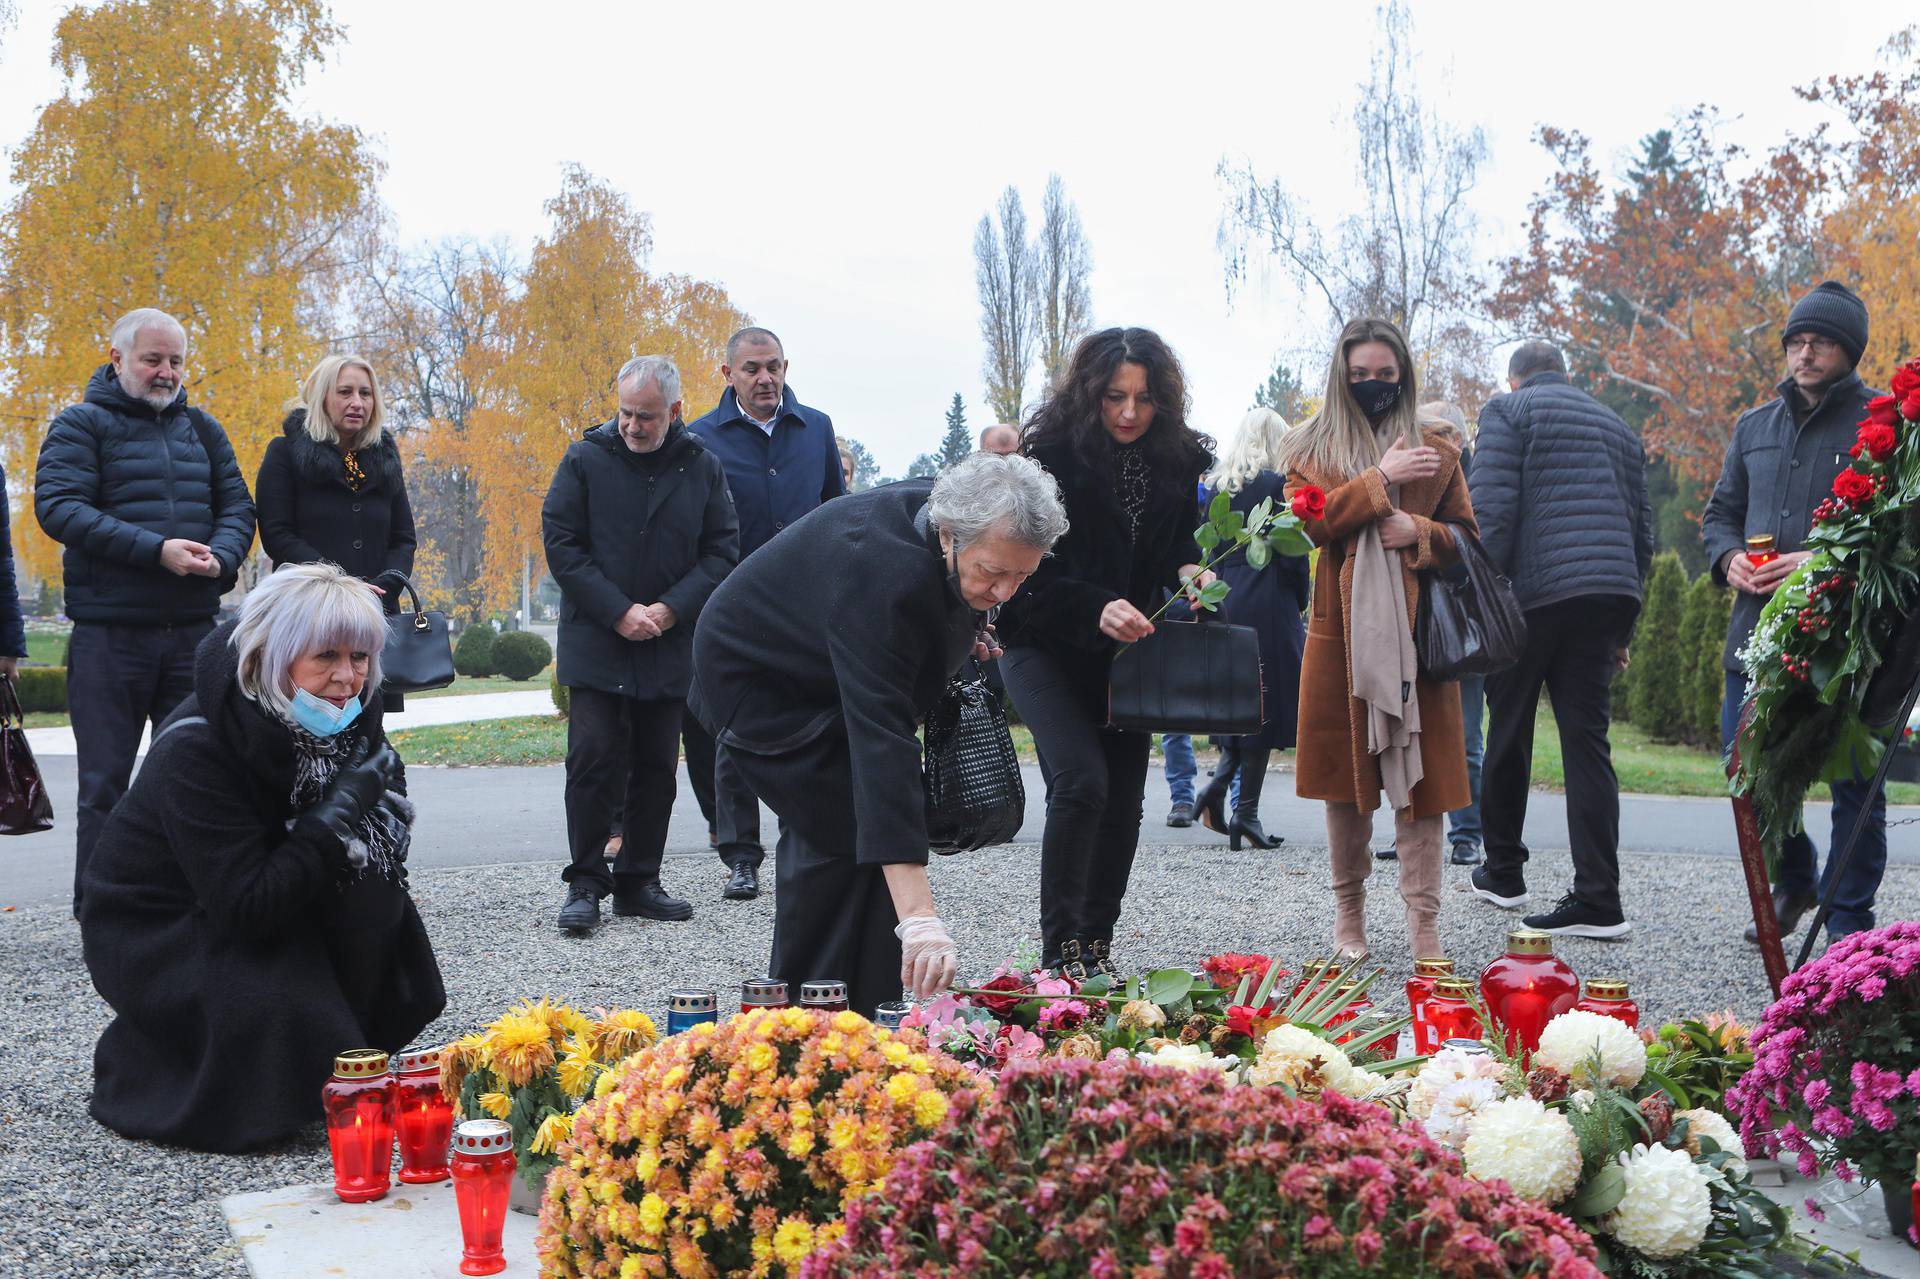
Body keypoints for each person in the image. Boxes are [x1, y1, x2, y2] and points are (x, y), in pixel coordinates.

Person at [79, 563, 444, 1153]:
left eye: (361, 657)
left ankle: (325, 1045)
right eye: (325, 655)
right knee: (279, 1003)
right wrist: (334, 818)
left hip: (264, 885)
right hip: (157, 925)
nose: (347, 678)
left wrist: (349, 818)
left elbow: (364, 854)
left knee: (389, 927)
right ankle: (171, 1066)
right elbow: (246, 905)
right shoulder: (196, 748)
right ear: (271, 659)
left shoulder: (347, 718)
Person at [690, 452, 1068, 1014]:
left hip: (827, 660)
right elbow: (882, 747)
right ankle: (799, 1030)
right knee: (836, 840)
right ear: (948, 535)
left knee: (870, 849)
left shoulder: (956, 522)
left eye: (1023, 576)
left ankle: (868, 1020)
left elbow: (937, 605)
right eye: (993, 572)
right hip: (763, 687)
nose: (1006, 592)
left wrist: (966, 623)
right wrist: (921, 920)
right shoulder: (879, 575)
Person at [998, 326, 1216, 979]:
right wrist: (1093, 603)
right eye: (1115, 397)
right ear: (1090, 394)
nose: (1128, 412)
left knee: (1123, 798)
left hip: (1126, 652)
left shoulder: (1177, 461)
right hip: (1041, 639)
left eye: (1144, 399)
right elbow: (1022, 574)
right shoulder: (1047, 458)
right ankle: (1059, 953)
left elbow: (1178, 542)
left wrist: (1190, 571)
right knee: (1081, 780)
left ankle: (1095, 947)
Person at [35, 307, 256, 912]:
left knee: (192, 778)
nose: (165, 373)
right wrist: (155, 551)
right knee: (103, 786)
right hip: (110, 640)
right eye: (152, 359)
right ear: (117, 359)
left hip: (193, 637)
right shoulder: (80, 425)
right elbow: (58, 508)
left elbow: (239, 509)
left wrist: (225, 560)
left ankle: (183, 905)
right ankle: (102, 913)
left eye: (176, 362)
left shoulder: (204, 431)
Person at [1281, 317, 1475, 963]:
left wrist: (1418, 531)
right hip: (1342, 645)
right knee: (1347, 782)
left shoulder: (1440, 450)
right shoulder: (1309, 450)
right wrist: (1378, 481)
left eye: (1385, 376)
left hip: (1421, 644)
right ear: (1342, 376)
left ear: (1404, 377)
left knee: (1425, 786)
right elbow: (1303, 530)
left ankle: (1424, 925)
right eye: (1360, 375)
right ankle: (1349, 919)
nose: (1372, 385)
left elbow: (1468, 540)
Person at [1702, 280, 1886, 944]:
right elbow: (1719, 515)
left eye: (1821, 343)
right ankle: (1797, 874)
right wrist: (1728, 561)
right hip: (1756, 636)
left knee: (1853, 785)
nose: (1804, 355)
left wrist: (1817, 561)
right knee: (1742, 767)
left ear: (1849, 351)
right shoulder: (1754, 427)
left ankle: (1847, 921)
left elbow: (1899, 534)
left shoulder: (1885, 423)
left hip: (1849, 636)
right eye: (1796, 342)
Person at [544, 356, 739, 935]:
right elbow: (562, 543)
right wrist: (617, 610)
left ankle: (638, 881)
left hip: (666, 640)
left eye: (646, 417)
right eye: (626, 413)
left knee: (656, 766)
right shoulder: (583, 460)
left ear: (675, 412)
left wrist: (670, 607)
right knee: (592, 760)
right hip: (598, 638)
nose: (632, 426)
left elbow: (720, 551)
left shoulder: (702, 467)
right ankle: (585, 882)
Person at [1465, 344, 1652, 939]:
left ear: (1514, 379)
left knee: (1510, 728)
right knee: (1588, 744)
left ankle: (1504, 872)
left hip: (1532, 597)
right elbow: (1640, 532)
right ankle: (1600, 898)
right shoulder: (1618, 427)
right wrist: (1622, 627)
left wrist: (1478, 603)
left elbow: (1490, 514)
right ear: (1566, 376)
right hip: (1605, 597)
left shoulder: (1509, 412)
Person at [686, 326, 845, 900]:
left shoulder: (817, 429)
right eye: (752, 369)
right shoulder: (700, 438)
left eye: (774, 367)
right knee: (735, 730)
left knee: (811, 722)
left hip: (805, 604)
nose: (766, 379)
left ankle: (808, 838)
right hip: (732, 606)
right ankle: (740, 855)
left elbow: (836, 510)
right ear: (728, 374)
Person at [254, 353, 418, 711]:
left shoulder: (384, 459)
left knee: (368, 730)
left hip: (375, 616)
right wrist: (341, 588)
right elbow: (278, 535)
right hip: (307, 615)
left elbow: (404, 538)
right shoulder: (285, 453)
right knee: (307, 723)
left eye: (366, 393)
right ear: (322, 397)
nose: (357, 402)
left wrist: (383, 588)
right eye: (345, 392)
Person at [1191, 408, 1309, 850]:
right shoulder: (1279, 486)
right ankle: (1246, 814)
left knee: (1238, 707)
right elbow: (1296, 552)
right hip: (1268, 599)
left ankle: (1215, 793)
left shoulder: (1219, 488)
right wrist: (1300, 600)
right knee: (1264, 707)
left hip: (1226, 598)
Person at [1417, 403, 1486, 867]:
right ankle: (1421, 831)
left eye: (1439, 434)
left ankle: (1466, 833)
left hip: (1462, 621)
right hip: (1421, 619)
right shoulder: (1416, 479)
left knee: (1464, 736)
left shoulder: (1476, 481)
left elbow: (1472, 548)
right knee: (1416, 730)